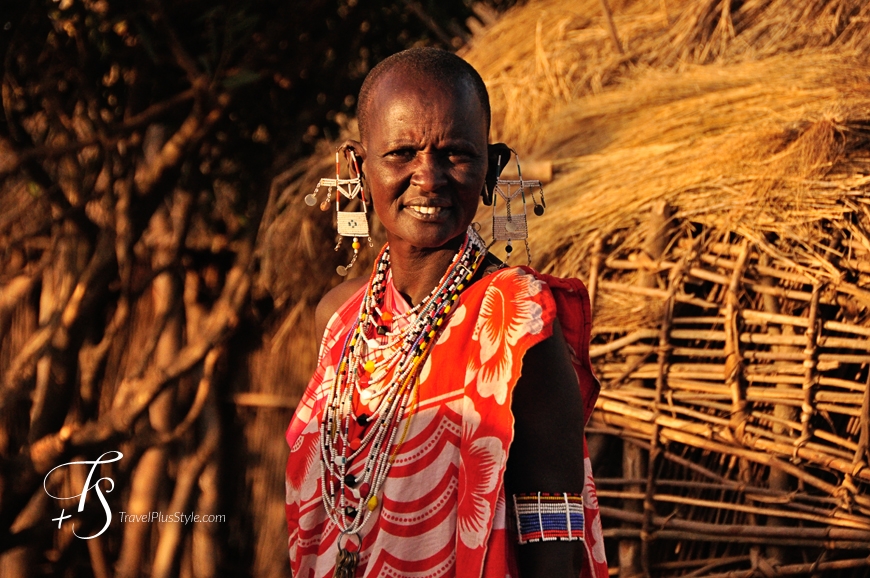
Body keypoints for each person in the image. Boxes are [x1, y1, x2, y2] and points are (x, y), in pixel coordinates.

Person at [285, 47, 608, 578]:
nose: (429, 177)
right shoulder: (337, 320)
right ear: (357, 167)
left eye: (456, 153)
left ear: (493, 168)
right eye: (401, 153)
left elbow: (554, 541)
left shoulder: (519, 327)